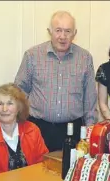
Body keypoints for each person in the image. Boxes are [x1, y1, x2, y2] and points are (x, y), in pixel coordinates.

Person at [14, 11, 97, 152]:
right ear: (49, 31)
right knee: (36, 172)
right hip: (37, 129)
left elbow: (90, 100)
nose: (62, 36)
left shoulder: (85, 58)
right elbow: (19, 91)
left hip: (73, 131)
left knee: (70, 172)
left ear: (74, 34)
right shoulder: (32, 56)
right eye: (58, 30)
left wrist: (90, 135)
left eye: (68, 31)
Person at [0, 83, 49, 179]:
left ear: (18, 108)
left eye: (10, 103)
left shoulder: (32, 130)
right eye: (0, 104)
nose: (4, 109)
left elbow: (43, 165)